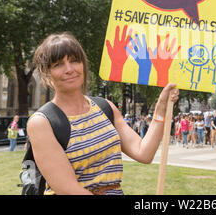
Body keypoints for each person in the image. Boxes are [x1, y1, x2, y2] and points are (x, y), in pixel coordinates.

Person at [28, 32, 179, 195]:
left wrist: (161, 107)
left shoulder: (105, 107)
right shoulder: (42, 122)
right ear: (46, 73)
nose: (69, 69)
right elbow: (67, 189)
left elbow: (144, 153)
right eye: (58, 64)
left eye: (74, 61)